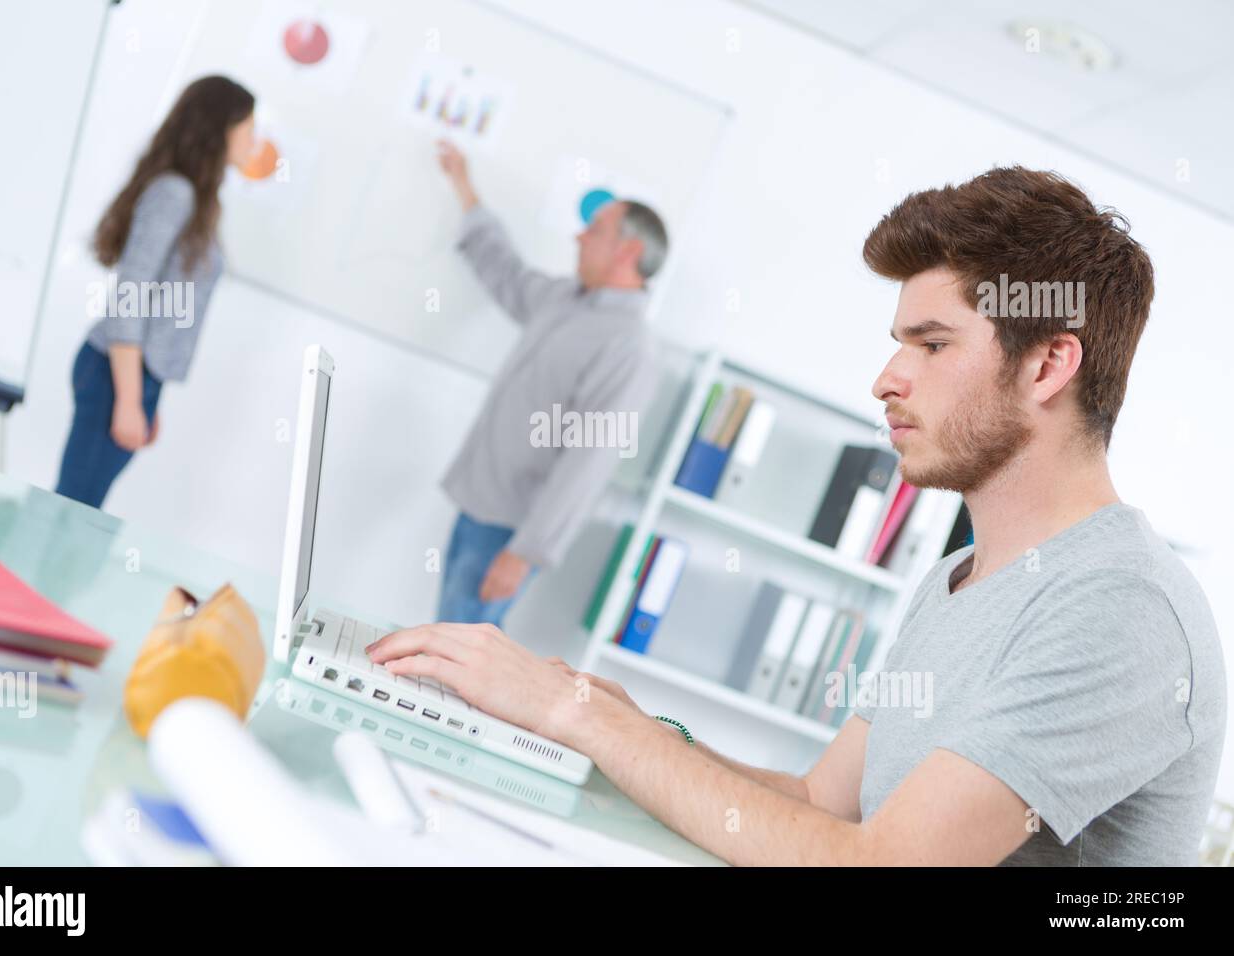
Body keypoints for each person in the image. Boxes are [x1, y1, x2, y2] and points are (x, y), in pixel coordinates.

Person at [367, 166, 1226, 866]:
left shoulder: (1119, 609)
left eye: (930, 345)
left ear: (1047, 367)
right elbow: (820, 803)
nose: (887, 378)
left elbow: (883, 867)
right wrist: (617, 720)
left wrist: (577, 717)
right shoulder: (956, 581)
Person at [433, 140, 668, 627]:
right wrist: (463, 185)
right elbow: (504, 272)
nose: (580, 237)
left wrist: (525, 553)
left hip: (511, 533)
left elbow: (590, 461)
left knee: (456, 661)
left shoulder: (630, 348)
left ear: (628, 250)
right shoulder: (564, 299)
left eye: (595, 229)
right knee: (444, 641)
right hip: (478, 505)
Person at [56, 75, 256, 508]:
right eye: (248, 128)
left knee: (82, 510)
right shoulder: (175, 194)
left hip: (136, 377)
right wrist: (129, 399)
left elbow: (167, 297)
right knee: (71, 513)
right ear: (218, 130)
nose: (254, 140)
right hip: (115, 374)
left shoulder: (196, 200)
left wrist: (149, 393)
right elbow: (129, 298)